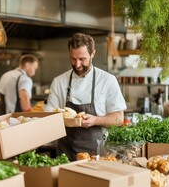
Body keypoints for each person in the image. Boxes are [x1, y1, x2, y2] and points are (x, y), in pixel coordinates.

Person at [44, 33, 127, 161]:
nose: (77, 64)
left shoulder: (107, 80)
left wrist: (95, 120)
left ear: (92, 54)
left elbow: (119, 119)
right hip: (65, 156)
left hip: (98, 156)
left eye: (82, 59)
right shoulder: (59, 81)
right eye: (73, 59)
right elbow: (47, 117)